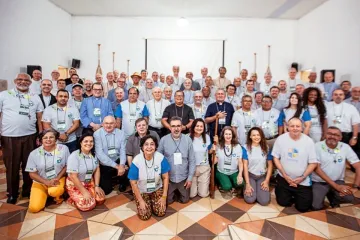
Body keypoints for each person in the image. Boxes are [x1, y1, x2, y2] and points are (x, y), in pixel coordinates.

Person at [0, 73, 44, 204]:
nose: (23, 82)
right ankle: (12, 193)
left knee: (29, 165)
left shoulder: (35, 97)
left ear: (30, 83)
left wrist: (41, 134)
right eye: (20, 79)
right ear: (15, 81)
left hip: (30, 136)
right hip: (9, 136)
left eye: (26, 80)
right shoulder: (4, 95)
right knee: (12, 166)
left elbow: (40, 117)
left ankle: (28, 190)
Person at [272, 118, 318, 212]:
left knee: (303, 208)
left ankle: (296, 195)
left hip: (302, 180)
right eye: (292, 126)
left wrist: (302, 177)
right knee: (282, 202)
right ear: (288, 127)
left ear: (302, 128)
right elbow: (275, 158)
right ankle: (289, 194)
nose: (295, 128)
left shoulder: (309, 141)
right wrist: (284, 175)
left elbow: (313, 163)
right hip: (284, 178)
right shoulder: (281, 139)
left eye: (298, 126)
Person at [312, 127, 360, 210]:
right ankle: (328, 192)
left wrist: (355, 186)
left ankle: (333, 198)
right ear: (325, 135)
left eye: (336, 135)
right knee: (316, 206)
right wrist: (336, 187)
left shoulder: (345, 147)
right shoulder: (317, 146)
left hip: (337, 181)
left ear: (340, 138)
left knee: (349, 198)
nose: (332, 136)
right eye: (330, 133)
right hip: (319, 182)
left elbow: (358, 166)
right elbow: (317, 169)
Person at [26, 129, 69, 212]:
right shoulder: (34, 154)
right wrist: (46, 182)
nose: (48, 140)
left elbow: (67, 165)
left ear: (56, 139)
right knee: (34, 208)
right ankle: (46, 194)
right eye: (45, 138)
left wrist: (58, 177)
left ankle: (57, 195)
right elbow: (32, 174)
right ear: (41, 140)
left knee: (55, 191)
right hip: (40, 182)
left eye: (51, 137)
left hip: (57, 179)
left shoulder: (63, 149)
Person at [128, 135, 171, 220]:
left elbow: (166, 177)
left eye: (152, 144)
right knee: (145, 216)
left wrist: (164, 197)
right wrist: (140, 201)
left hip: (157, 188)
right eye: (146, 144)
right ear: (142, 147)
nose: (149, 147)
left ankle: (152, 201)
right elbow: (133, 183)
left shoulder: (160, 158)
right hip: (142, 190)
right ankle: (147, 201)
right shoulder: (136, 161)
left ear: (155, 147)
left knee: (160, 212)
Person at [158, 117, 196, 204]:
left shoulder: (188, 140)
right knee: (168, 201)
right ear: (170, 128)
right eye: (173, 126)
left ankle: (178, 192)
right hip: (169, 178)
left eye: (178, 126)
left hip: (183, 178)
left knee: (185, 200)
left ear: (182, 127)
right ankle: (173, 193)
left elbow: (192, 160)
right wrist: (161, 178)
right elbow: (158, 159)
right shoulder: (164, 140)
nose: (176, 128)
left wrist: (189, 178)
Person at [66, 134, 106, 211]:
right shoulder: (74, 156)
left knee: (100, 199)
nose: (89, 143)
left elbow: (97, 170)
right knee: (87, 206)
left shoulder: (94, 154)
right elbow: (73, 176)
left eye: (91, 141)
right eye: (86, 141)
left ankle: (86, 196)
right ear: (80, 142)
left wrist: (97, 186)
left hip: (89, 182)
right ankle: (71, 200)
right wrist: (84, 192)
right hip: (75, 184)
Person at [94, 116, 128, 194]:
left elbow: (123, 150)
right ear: (102, 124)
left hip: (117, 159)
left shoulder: (121, 133)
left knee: (126, 167)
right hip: (105, 163)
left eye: (111, 123)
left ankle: (122, 181)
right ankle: (113, 179)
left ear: (115, 124)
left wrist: (122, 165)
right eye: (106, 123)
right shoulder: (97, 134)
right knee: (106, 190)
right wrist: (117, 166)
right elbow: (100, 154)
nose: (108, 125)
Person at [243, 127, 273, 206]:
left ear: (261, 136)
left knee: (264, 201)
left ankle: (259, 191)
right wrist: (247, 184)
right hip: (250, 175)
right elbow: (245, 166)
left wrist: (266, 181)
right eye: (254, 135)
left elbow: (270, 165)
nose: (256, 137)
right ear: (250, 136)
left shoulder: (266, 147)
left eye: (258, 135)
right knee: (250, 199)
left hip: (262, 176)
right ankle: (250, 188)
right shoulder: (245, 148)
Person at [215, 127, 244, 195]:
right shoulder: (219, 146)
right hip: (222, 172)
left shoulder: (237, 146)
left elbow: (240, 162)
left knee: (241, 183)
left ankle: (232, 183)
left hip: (233, 172)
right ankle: (222, 183)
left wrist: (240, 175)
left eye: (229, 134)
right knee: (227, 187)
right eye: (226, 134)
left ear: (232, 135)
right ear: (223, 135)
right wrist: (214, 149)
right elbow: (214, 162)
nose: (228, 136)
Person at [189, 119, 213, 198]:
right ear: (193, 127)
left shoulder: (207, 137)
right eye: (197, 126)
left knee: (203, 194)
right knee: (192, 195)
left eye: (201, 126)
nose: (199, 128)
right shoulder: (187, 137)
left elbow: (209, 151)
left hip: (204, 167)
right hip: (191, 168)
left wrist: (214, 146)